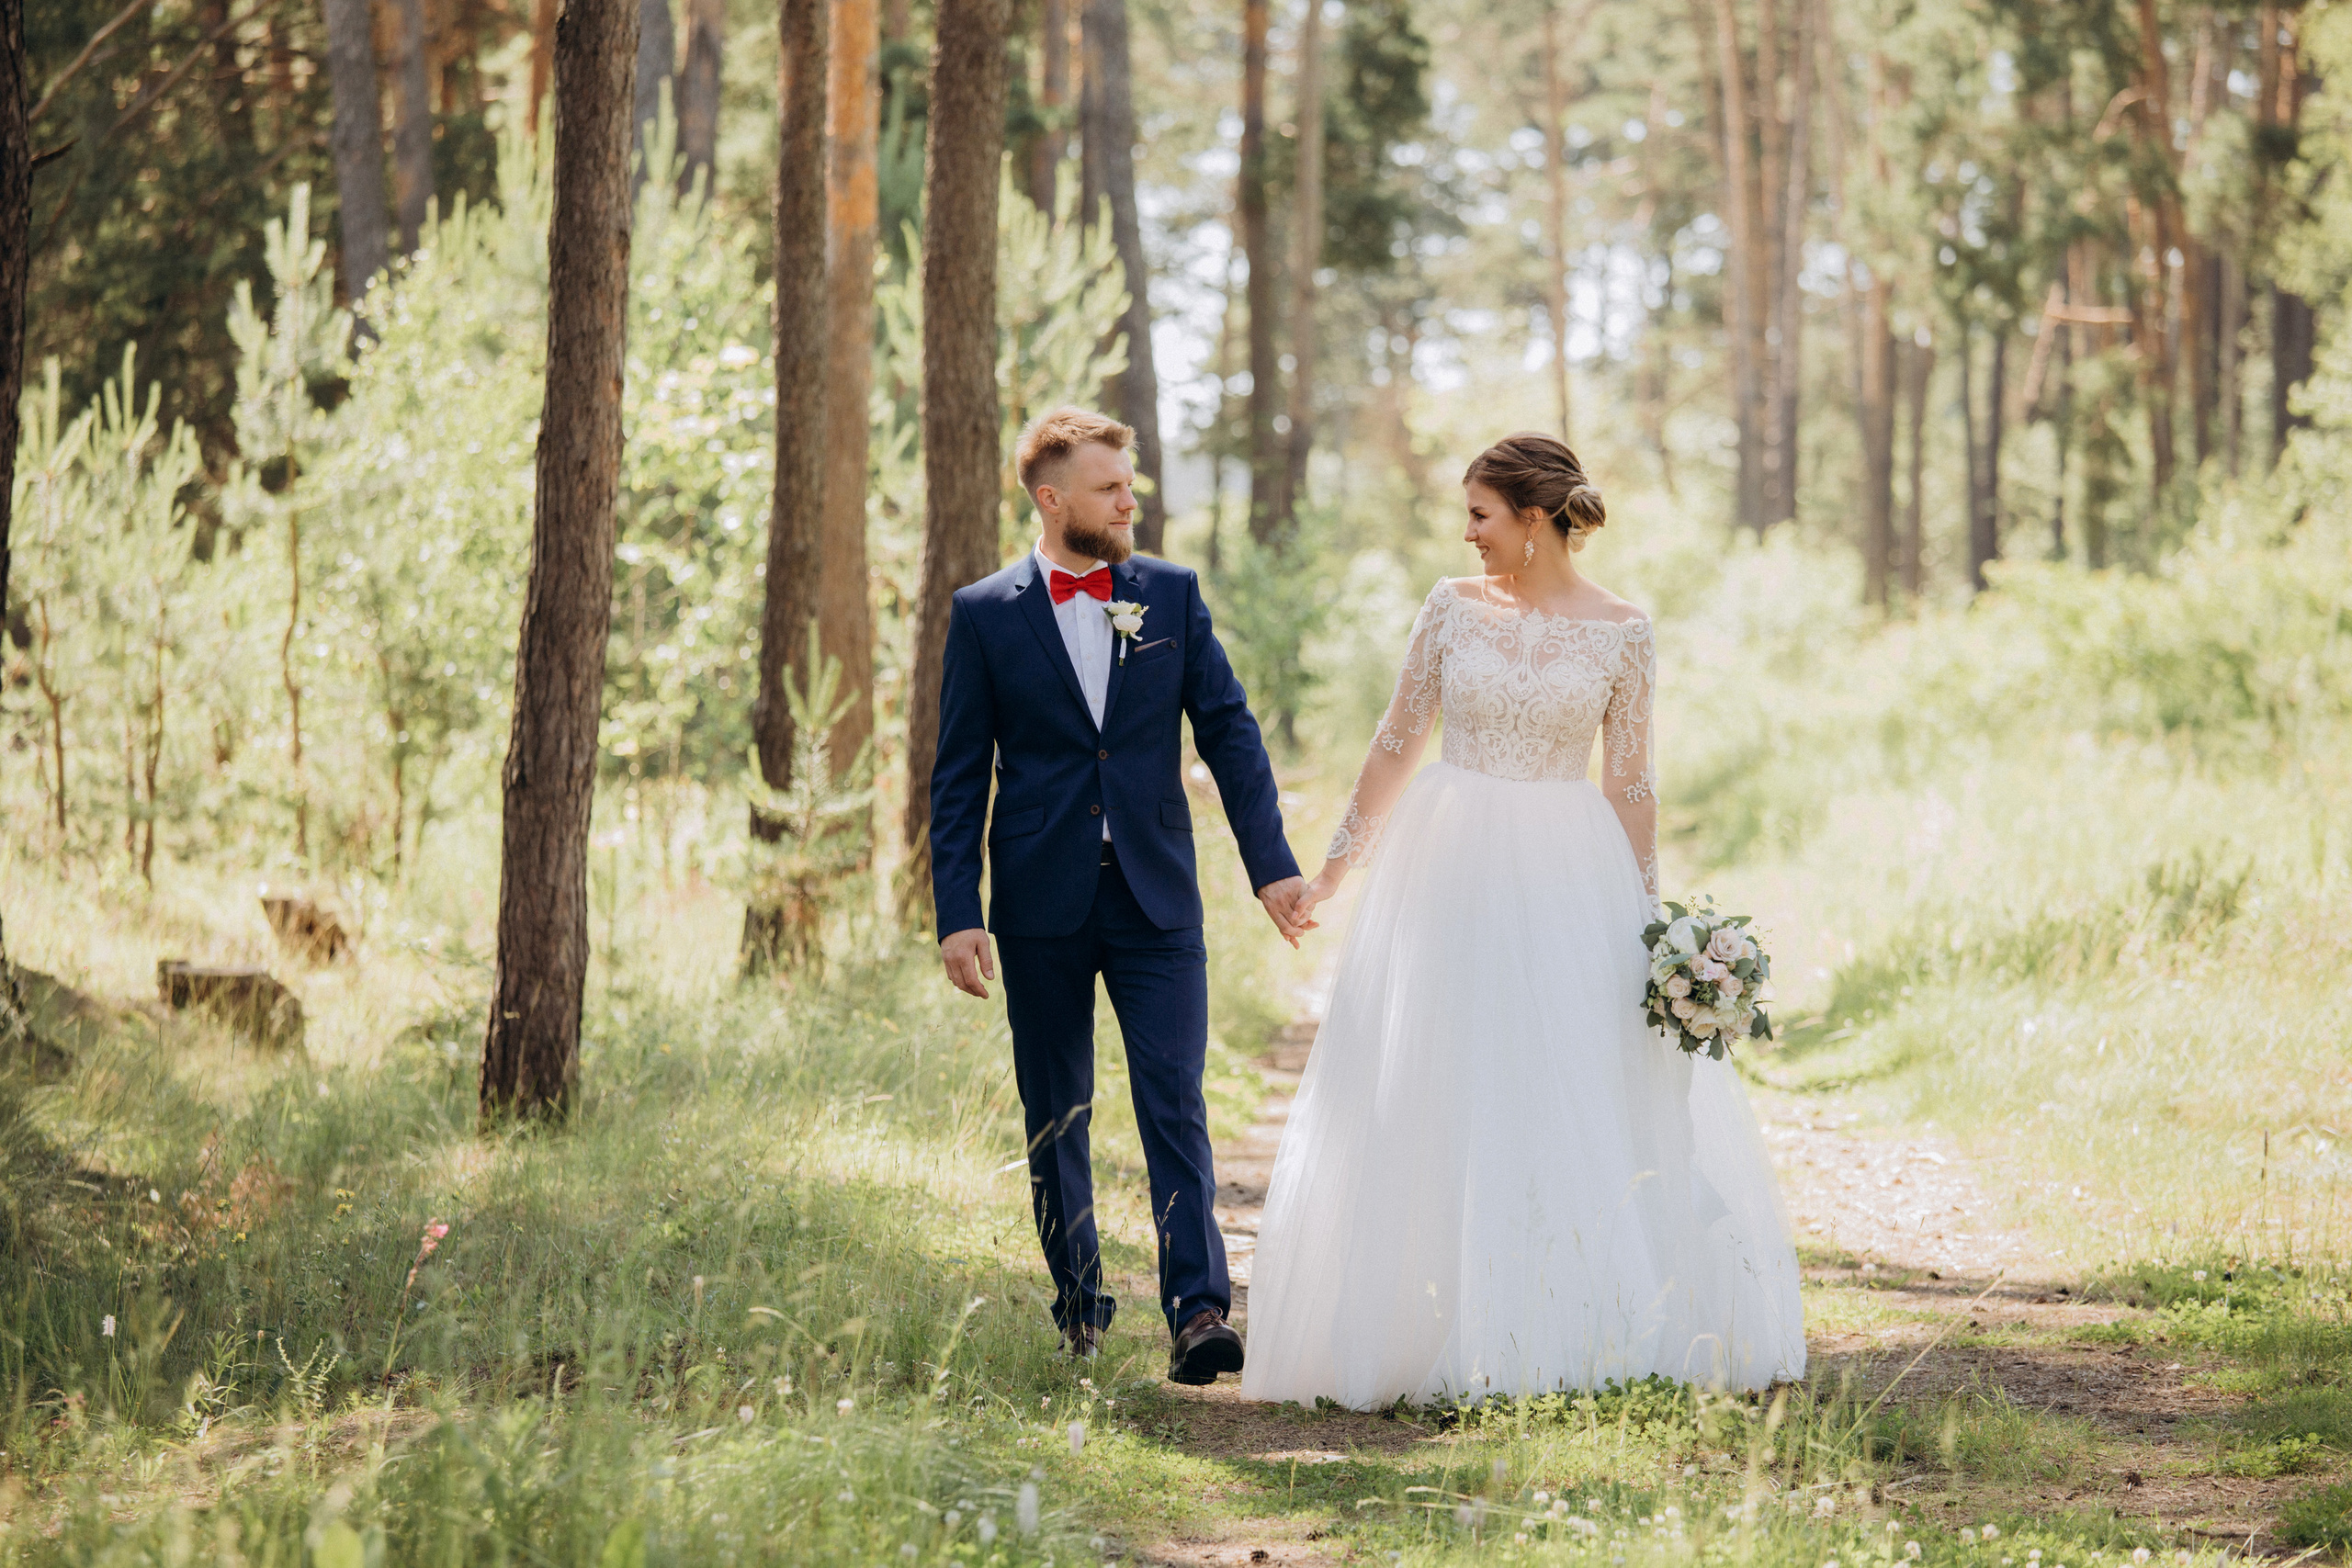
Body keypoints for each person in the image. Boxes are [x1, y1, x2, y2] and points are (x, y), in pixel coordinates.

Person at [1240, 433, 1806, 1408]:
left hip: (1567, 869)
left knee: (1562, 1079)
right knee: (1441, 1076)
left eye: (1480, 515)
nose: (1467, 535)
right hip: (1449, 862)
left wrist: (1647, 921)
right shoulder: (1450, 610)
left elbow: (1631, 784)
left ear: (1534, 518)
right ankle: (1424, 1321)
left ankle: (1563, 1318)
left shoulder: (1623, 629)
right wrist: (1331, 875)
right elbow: (1393, 744)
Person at [928, 406, 1308, 1383]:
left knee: (1173, 1099)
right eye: (1108, 487)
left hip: (1156, 898)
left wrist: (1269, 864)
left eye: (1128, 484)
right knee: (1056, 1110)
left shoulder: (1171, 597)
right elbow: (959, 773)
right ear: (1052, 500)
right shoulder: (983, 613)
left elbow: (1229, 731)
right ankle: (1082, 1308)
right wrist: (957, 912)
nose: (1128, 500)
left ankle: (1198, 1311)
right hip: (1037, 901)